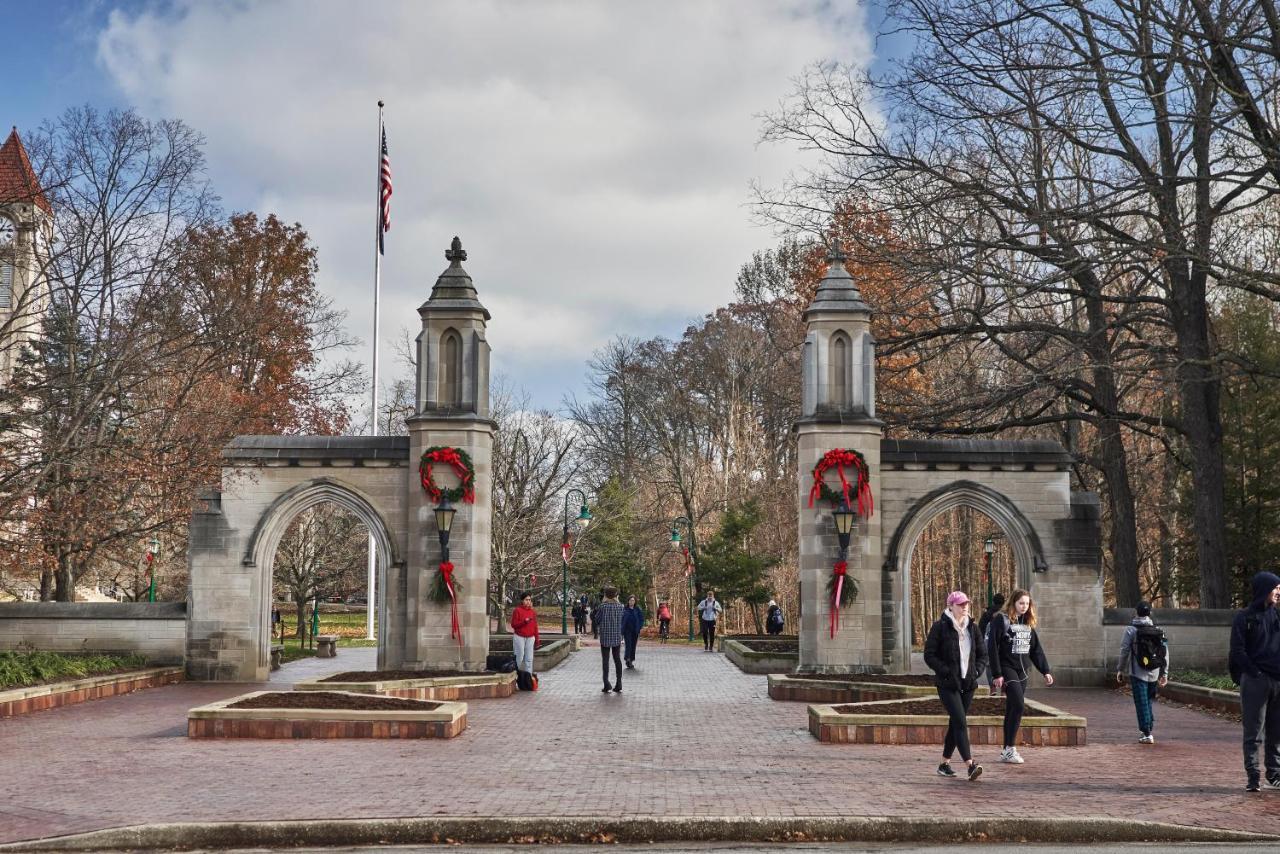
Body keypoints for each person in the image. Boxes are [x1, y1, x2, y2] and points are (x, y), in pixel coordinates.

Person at [923, 590, 988, 781]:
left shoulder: (973, 628)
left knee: (955, 723)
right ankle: (970, 765)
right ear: (951, 606)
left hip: (968, 684)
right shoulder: (940, 627)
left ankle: (944, 764)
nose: (965, 606)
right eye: (960, 604)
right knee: (960, 721)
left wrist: (976, 672)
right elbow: (929, 655)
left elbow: (983, 655)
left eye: (966, 603)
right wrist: (945, 671)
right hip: (947, 684)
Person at [988, 589, 1053, 764]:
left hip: (1023, 671)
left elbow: (1036, 650)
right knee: (1018, 703)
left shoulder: (1028, 623)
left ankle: (1007, 749)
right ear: (1013, 603)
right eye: (1021, 603)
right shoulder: (1001, 620)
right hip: (1007, 667)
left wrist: (1045, 671)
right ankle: (1010, 748)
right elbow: (992, 648)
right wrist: (997, 674)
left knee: (1013, 709)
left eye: (1027, 603)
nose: (1024, 607)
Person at [1229, 571, 1280, 792]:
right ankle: (1253, 775)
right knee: (1253, 731)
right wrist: (1254, 673)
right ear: (1264, 589)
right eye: (1275, 588)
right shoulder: (1244, 617)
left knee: (1276, 731)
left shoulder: (1277, 616)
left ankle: (1275, 773)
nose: (1278, 592)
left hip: (1278, 681)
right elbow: (1237, 651)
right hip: (1255, 681)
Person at [1116, 600, 1169, 744]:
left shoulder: (1130, 630)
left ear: (1136, 613)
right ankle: (1148, 726)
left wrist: (1120, 669)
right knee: (1148, 701)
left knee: (1141, 703)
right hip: (1154, 671)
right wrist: (1164, 673)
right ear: (1149, 613)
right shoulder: (1158, 630)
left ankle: (1146, 732)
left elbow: (1124, 651)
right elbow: (1165, 653)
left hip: (1137, 672)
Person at [595, 587, 626, 693]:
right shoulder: (620, 607)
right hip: (617, 636)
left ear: (606, 595)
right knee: (617, 659)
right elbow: (623, 620)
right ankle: (619, 683)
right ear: (616, 595)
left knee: (605, 660)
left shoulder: (602, 607)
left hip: (605, 636)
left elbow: (597, 620)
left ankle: (606, 683)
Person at [978, 593, 1006, 696]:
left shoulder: (987, 614)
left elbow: (980, 628)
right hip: (1003, 643)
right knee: (1004, 664)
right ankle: (1003, 689)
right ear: (1004, 602)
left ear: (993, 601)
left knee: (989, 665)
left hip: (988, 642)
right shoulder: (1006, 613)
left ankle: (992, 687)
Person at [509, 592, 539, 680]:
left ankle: (528, 679)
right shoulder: (517, 610)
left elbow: (535, 626)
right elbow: (513, 624)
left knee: (529, 659)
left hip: (530, 637)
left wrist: (537, 640)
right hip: (519, 636)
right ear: (522, 601)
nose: (528, 602)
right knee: (519, 656)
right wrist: (524, 622)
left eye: (529, 600)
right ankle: (514, 677)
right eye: (526, 600)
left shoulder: (532, 612)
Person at [622, 595, 645, 668]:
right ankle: (627, 659)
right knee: (628, 645)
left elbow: (641, 619)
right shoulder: (625, 609)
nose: (632, 602)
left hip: (635, 631)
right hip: (627, 630)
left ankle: (631, 660)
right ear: (628, 601)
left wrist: (640, 626)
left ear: (635, 602)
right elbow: (621, 619)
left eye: (633, 600)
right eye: (630, 600)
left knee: (633, 646)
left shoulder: (637, 609)